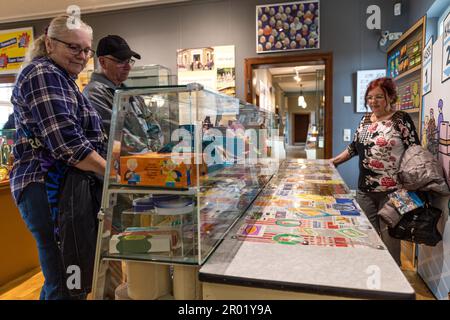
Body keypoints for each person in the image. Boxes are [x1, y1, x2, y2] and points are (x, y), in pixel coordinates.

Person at [10, 15, 107, 299]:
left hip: (61, 186)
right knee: (66, 279)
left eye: (87, 49)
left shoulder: (62, 78)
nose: (82, 56)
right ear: (50, 44)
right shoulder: (43, 73)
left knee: (67, 278)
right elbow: (68, 146)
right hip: (48, 186)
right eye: (74, 48)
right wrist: (116, 173)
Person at [330, 77, 420, 265]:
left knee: (391, 241)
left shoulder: (401, 119)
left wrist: (412, 187)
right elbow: (354, 147)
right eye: (370, 97)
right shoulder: (364, 120)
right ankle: (371, 276)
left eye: (379, 97)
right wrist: (334, 161)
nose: (373, 101)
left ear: (390, 97)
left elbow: (415, 151)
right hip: (365, 191)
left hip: (394, 192)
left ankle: (394, 288)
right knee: (367, 238)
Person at [83, 35, 163, 153]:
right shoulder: (94, 93)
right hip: (121, 167)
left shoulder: (131, 94)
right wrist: (148, 153)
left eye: (129, 61)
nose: (128, 67)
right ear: (103, 62)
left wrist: (155, 152)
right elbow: (117, 135)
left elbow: (152, 124)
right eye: (121, 61)